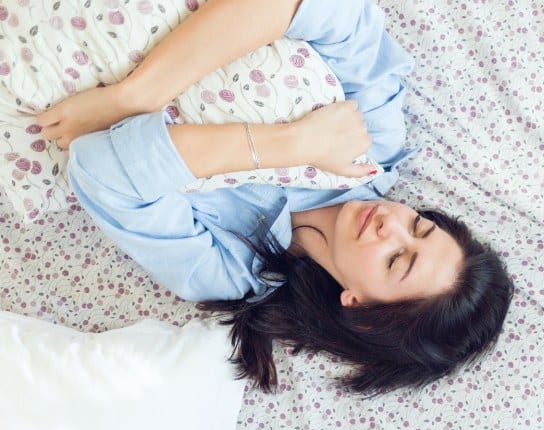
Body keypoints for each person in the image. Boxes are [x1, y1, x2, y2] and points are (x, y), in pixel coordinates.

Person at [36, 0, 513, 395]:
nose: (392, 224)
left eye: (396, 260)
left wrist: (290, 144)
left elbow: (103, 172)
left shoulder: (226, 267)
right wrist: (134, 98)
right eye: (419, 226)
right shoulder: (376, 142)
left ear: (360, 307)